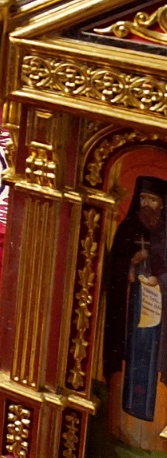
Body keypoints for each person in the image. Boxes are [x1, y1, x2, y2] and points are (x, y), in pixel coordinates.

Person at [103, 176, 167, 446]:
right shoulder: (128, 228)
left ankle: (150, 425)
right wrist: (131, 263)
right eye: (143, 198)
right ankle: (123, 415)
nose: (147, 204)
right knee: (127, 359)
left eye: (152, 200)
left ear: (162, 204)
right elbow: (114, 267)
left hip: (158, 318)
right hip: (129, 310)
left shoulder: (166, 232)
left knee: (151, 363)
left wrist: (159, 281)